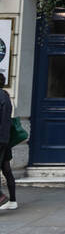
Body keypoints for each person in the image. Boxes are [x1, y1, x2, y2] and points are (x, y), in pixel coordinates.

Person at [0, 74, 16, 213]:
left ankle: (2, 199)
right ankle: (13, 200)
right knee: (6, 169)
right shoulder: (6, 95)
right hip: (6, 138)